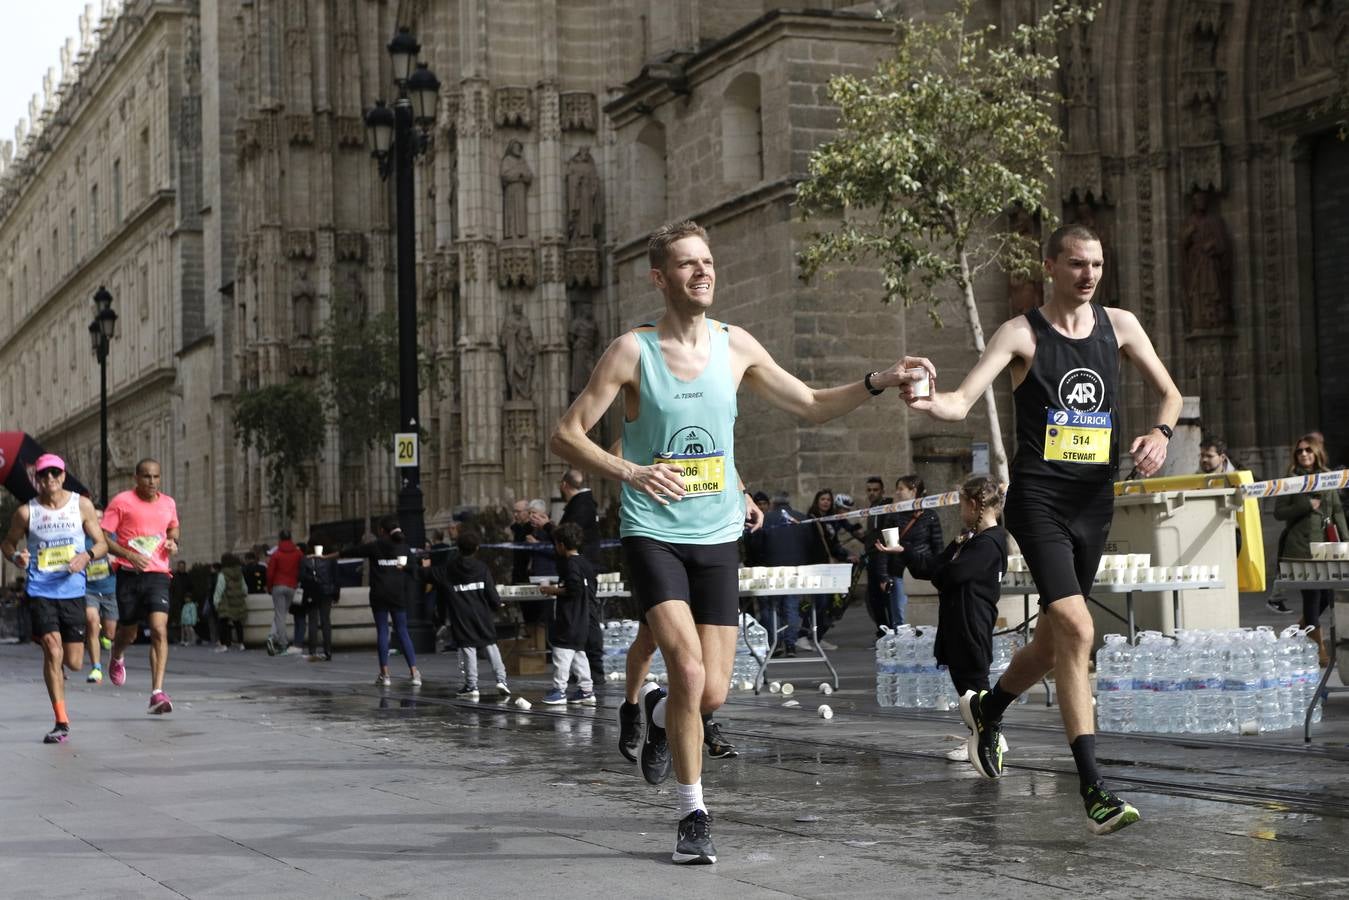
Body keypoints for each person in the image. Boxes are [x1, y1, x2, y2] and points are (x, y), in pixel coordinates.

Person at [549, 218, 930, 864]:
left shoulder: (735, 347)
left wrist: (878, 380)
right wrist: (632, 471)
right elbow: (566, 434)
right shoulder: (630, 352)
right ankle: (692, 813)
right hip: (652, 533)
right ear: (660, 278)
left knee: (714, 692)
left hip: (717, 536)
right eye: (687, 263)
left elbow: (809, 402)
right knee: (690, 666)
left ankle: (666, 712)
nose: (703, 271)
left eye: (707, 261)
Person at [906, 223, 1181, 834]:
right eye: (1077, 264)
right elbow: (962, 399)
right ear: (1051, 266)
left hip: (1095, 501)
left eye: (1098, 265)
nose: (1089, 275)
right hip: (1039, 501)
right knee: (1079, 626)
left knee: (1058, 643)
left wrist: (1159, 435)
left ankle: (988, 708)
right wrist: (930, 402)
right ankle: (1095, 789)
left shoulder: (1123, 326)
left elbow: (1171, 395)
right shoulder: (1021, 333)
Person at [902, 477, 1011, 764]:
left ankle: (989, 736)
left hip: (971, 621)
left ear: (975, 506)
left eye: (962, 505)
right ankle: (984, 732)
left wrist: (944, 573)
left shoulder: (990, 543)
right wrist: (906, 553)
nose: (960, 511)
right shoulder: (970, 539)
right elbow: (937, 567)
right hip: (957, 620)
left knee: (974, 681)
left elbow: (951, 575)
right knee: (965, 682)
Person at [0, 454, 108, 743]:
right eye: (44, 475)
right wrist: (16, 556)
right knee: (52, 648)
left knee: (73, 662)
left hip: (72, 590)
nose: (49, 479)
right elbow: (7, 542)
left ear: (63, 476)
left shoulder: (81, 505)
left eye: (55, 474)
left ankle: (59, 663)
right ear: (37, 479)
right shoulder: (27, 512)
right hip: (40, 590)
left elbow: (101, 543)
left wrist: (86, 556)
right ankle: (61, 721)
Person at [104, 458, 182, 714]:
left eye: (156, 477)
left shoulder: (168, 503)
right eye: (147, 477)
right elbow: (103, 537)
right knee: (129, 633)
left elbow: (173, 529)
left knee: (159, 630)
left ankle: (157, 692)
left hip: (158, 573)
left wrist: (173, 543)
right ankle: (117, 653)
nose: (152, 482)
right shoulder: (122, 502)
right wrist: (128, 555)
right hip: (128, 574)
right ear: (136, 478)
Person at [1275, 434, 1345, 667]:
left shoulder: (1328, 477)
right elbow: (1279, 512)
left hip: (1325, 545)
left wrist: (1346, 541)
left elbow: (1337, 511)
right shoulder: (1291, 479)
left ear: (1316, 453)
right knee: (1312, 595)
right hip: (1300, 546)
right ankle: (1318, 650)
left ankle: (1304, 625)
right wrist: (1306, 505)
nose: (1304, 454)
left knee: (1327, 594)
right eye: (1299, 451)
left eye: (1308, 450)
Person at [420, 528, 510, 699]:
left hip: (461, 616)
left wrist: (412, 567)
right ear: (476, 548)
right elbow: (491, 591)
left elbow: (427, 574)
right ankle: (501, 680)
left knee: (469, 648)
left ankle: (472, 685)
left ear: (458, 548)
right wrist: (497, 604)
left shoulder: (449, 569)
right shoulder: (482, 568)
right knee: (491, 645)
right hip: (482, 614)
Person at [345, 516, 422, 688]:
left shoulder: (375, 546)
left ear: (381, 531)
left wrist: (326, 556)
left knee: (382, 631)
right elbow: (414, 570)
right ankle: (414, 672)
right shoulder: (404, 547)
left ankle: (385, 674)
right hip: (397, 594)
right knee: (402, 631)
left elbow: (351, 552)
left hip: (379, 594)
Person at [872, 475, 944, 629]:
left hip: (925, 570)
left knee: (927, 617)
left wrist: (941, 572)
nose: (897, 493)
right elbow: (886, 548)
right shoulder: (893, 515)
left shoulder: (930, 515)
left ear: (913, 491)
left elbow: (938, 547)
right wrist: (883, 576)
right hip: (899, 573)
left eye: (901, 489)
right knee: (901, 619)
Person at [539, 523, 596, 705]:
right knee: (578, 653)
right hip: (583, 617)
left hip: (570, 618)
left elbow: (574, 589)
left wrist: (552, 590)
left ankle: (559, 690)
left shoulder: (570, 564)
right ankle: (586, 689)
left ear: (561, 545)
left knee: (562, 653)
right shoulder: (585, 563)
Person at [798, 488, 857, 650]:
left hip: (828, 567)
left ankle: (818, 637)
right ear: (817, 501)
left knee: (827, 603)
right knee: (817, 602)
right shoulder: (811, 519)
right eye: (823, 499)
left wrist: (846, 555)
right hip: (815, 566)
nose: (825, 502)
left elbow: (834, 544)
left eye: (828, 500)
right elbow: (810, 545)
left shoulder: (830, 520)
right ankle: (802, 635)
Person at [560, 468, 605, 676]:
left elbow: (570, 533)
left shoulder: (581, 504)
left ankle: (594, 669)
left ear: (564, 485)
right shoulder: (585, 502)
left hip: (583, 564)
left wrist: (548, 526)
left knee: (587, 616)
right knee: (584, 615)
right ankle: (586, 670)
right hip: (586, 564)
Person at [83, 515, 118, 684]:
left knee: (110, 633)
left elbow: (125, 557)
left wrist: (116, 561)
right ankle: (96, 668)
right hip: (89, 590)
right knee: (92, 622)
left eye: (99, 518)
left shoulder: (111, 538)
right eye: (92, 517)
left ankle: (107, 636)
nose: (95, 521)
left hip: (110, 590)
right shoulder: (80, 539)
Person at [860, 476, 896, 633]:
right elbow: (871, 535)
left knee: (886, 598)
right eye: (869, 490)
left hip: (883, 558)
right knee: (874, 598)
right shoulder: (872, 509)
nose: (872, 493)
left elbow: (887, 535)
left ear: (882, 491)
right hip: (872, 557)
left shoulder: (886, 506)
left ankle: (890, 631)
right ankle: (882, 631)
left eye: (875, 490)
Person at [265, 530, 303, 655]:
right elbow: (302, 568)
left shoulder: (276, 554)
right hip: (292, 586)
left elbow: (270, 573)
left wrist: (269, 587)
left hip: (278, 585)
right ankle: (273, 636)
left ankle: (282, 643)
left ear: (280, 539)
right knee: (283, 613)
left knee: (280, 615)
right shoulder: (298, 553)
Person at [300, 545, 340, 661]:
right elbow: (336, 578)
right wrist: (336, 594)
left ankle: (312, 651)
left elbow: (301, 576)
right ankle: (328, 650)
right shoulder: (330, 559)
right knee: (325, 620)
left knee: (313, 621)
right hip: (327, 592)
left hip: (312, 593)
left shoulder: (305, 559)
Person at [216, 554, 249, 652]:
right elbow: (244, 588)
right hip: (238, 601)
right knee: (238, 623)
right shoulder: (239, 573)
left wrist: (216, 601)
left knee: (223, 623)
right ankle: (241, 643)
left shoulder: (223, 574)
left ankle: (224, 644)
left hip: (226, 601)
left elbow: (219, 589)